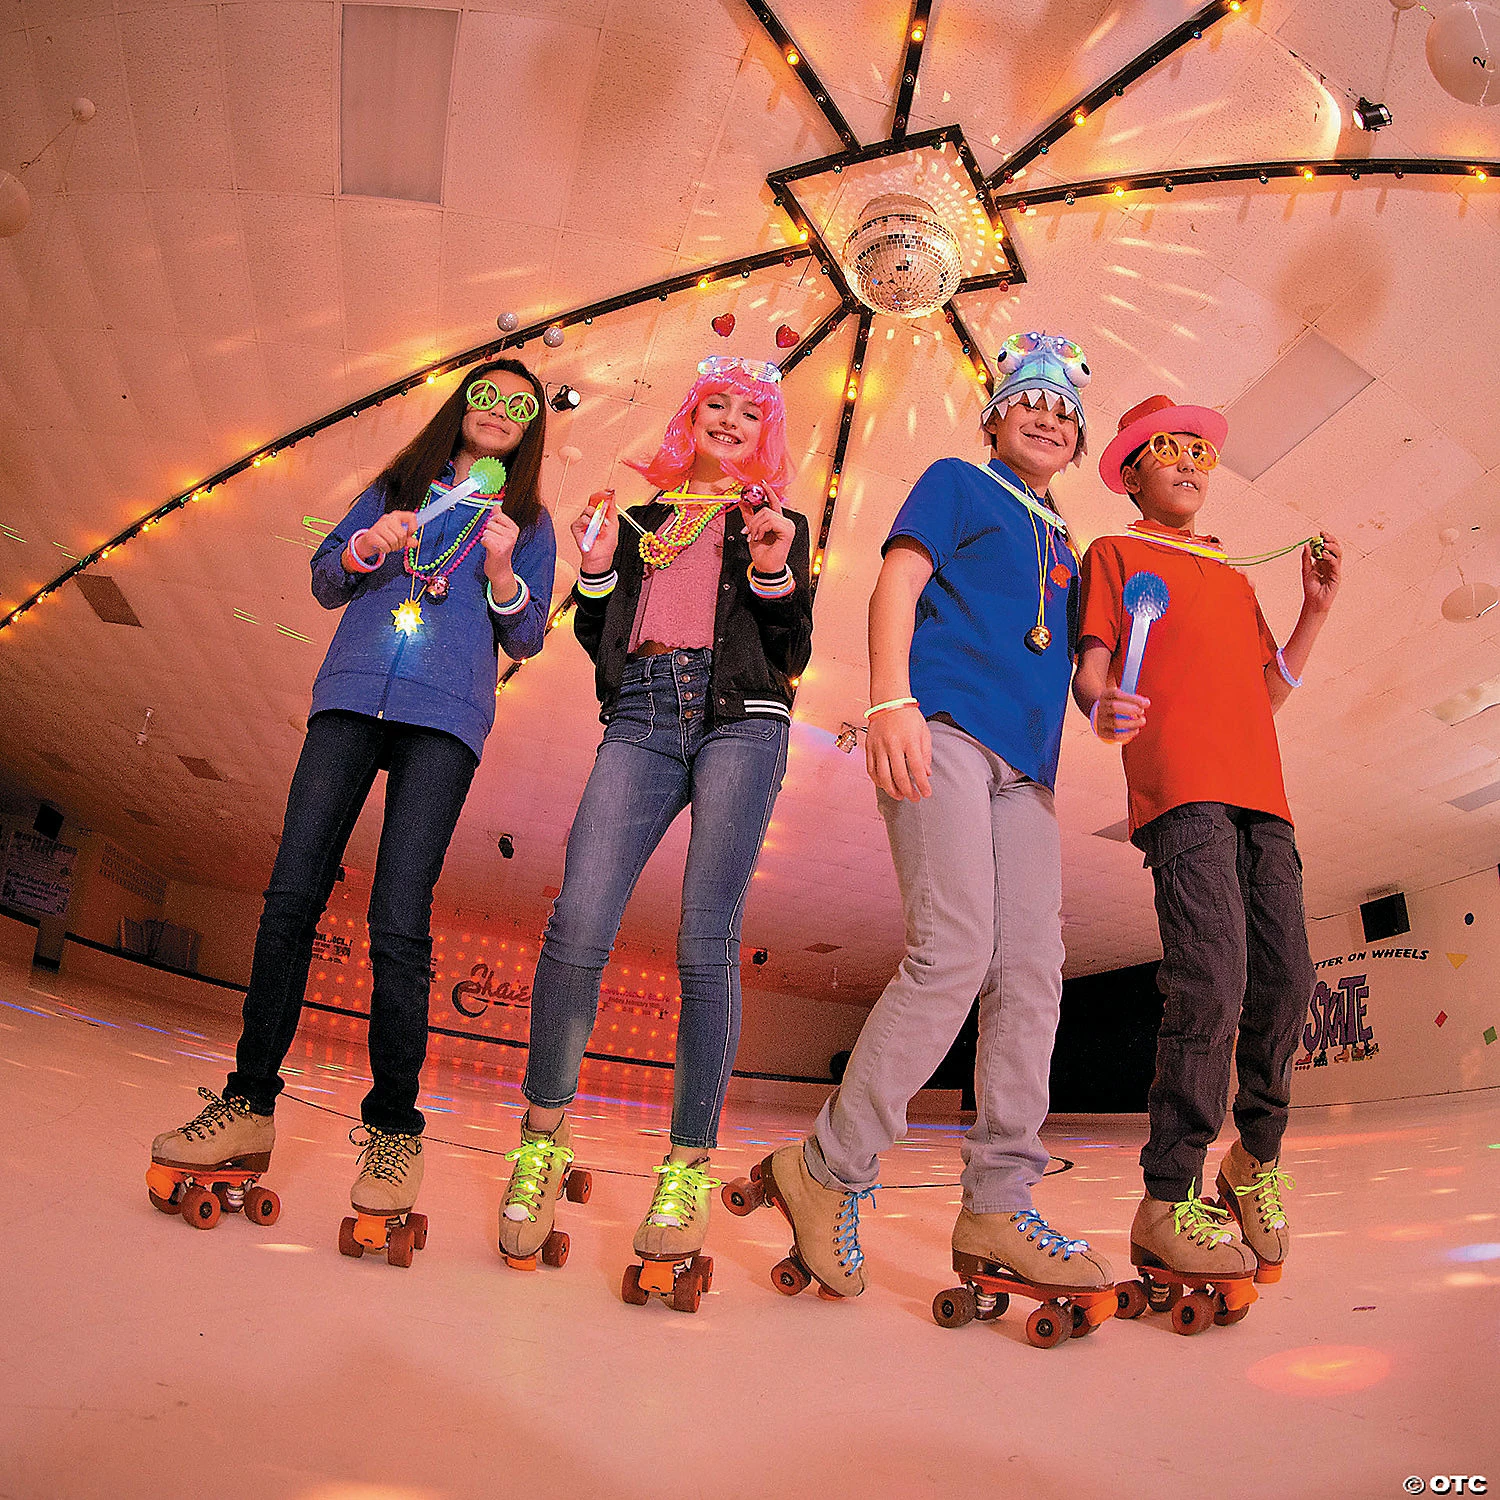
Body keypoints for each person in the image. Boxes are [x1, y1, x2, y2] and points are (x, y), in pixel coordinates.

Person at [733, 332, 1114, 1331]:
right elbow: (896, 581)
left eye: (1066, 410)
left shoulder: (1067, 546)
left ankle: (998, 1203)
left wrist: (1104, 702)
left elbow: (1071, 671)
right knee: (954, 952)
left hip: (1028, 774)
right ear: (995, 415)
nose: (1048, 417)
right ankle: (827, 1169)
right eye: (1030, 400)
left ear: (1078, 439)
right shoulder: (957, 481)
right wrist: (889, 699)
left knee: (1032, 973)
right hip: (941, 726)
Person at [148, 360, 556, 1259]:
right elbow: (326, 578)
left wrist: (500, 569)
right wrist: (371, 544)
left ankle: (395, 1130)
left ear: (530, 429)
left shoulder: (526, 522)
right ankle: (248, 1104)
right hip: (350, 697)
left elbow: (527, 635)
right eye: (487, 396)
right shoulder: (397, 486)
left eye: (519, 407)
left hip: (445, 721)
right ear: (462, 406)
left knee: (399, 921)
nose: (500, 412)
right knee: (290, 897)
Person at [497, 355, 812, 1308]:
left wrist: (771, 569)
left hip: (742, 719)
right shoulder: (639, 520)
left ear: (765, 434)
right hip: (640, 710)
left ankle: (685, 1168)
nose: (729, 420)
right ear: (689, 418)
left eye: (748, 412)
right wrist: (596, 570)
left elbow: (792, 648)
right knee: (578, 922)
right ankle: (542, 1142)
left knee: (705, 940)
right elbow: (597, 636)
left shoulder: (776, 521)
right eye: (714, 404)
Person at [1071, 393, 1341, 1300]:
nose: (1188, 462)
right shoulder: (1114, 555)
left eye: (1200, 451)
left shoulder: (1231, 574)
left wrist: (1313, 611)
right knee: (1213, 980)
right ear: (1131, 473)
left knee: (1289, 980)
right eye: (1168, 450)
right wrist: (1102, 707)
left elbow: (1267, 693)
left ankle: (1253, 1161)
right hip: (1181, 790)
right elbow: (1093, 670)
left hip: (1264, 796)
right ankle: (1167, 1196)